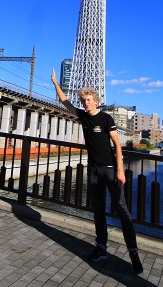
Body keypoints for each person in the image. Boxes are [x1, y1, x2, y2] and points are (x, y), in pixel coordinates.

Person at [51, 70, 143, 275]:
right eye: (83, 100)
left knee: (121, 209)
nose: (86, 103)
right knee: (98, 211)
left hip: (110, 170)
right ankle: (101, 248)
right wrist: (56, 83)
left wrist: (120, 169)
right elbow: (65, 102)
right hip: (93, 169)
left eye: (89, 100)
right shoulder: (83, 117)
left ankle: (133, 253)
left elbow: (117, 145)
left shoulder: (106, 118)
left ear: (96, 100)